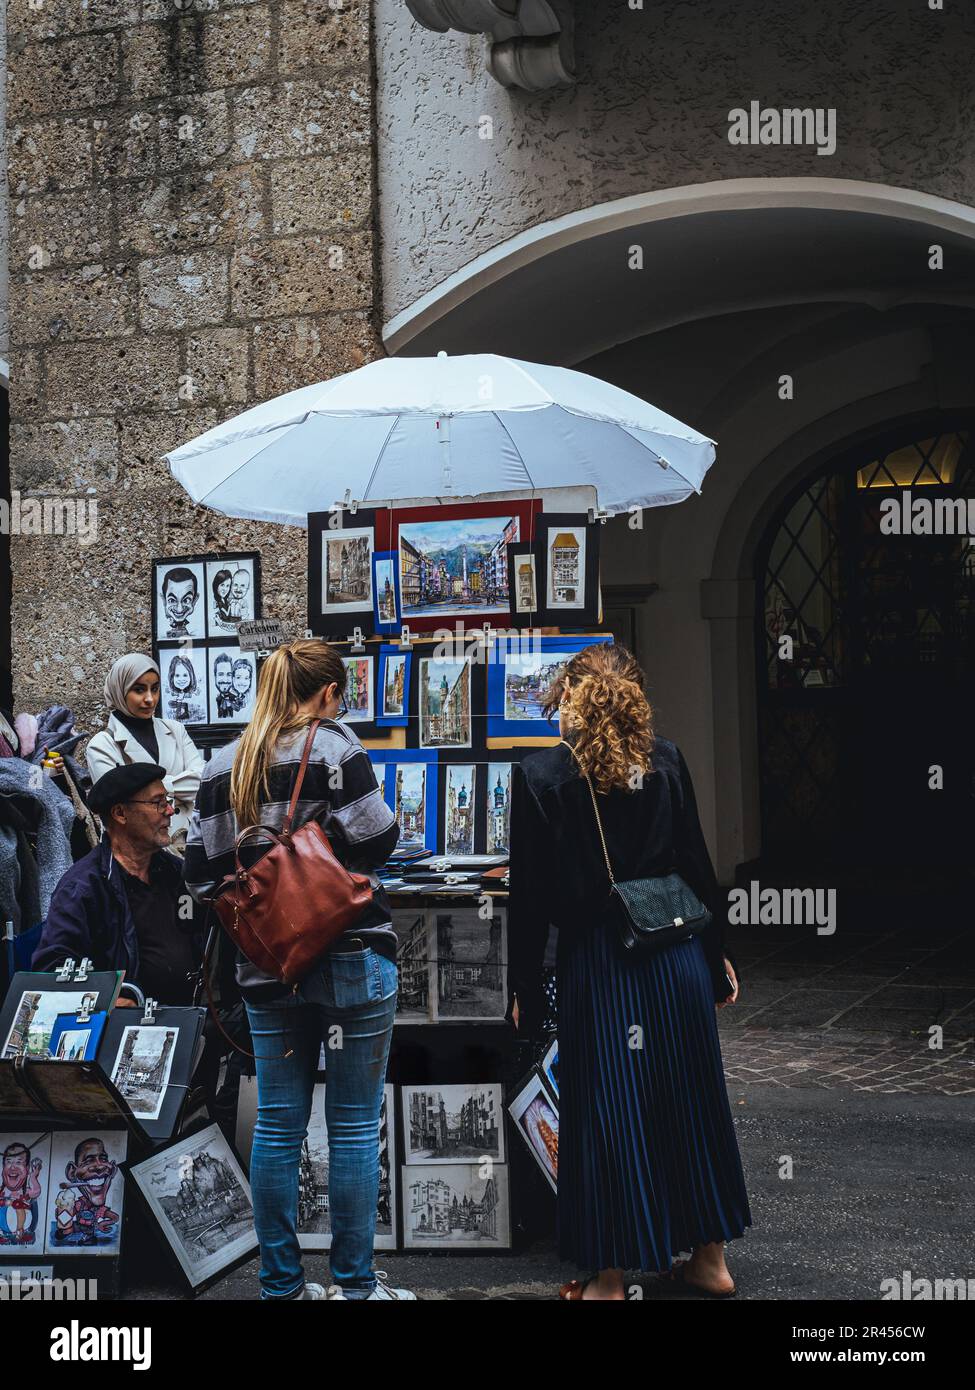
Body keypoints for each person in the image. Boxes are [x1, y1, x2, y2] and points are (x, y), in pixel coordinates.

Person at [507, 641, 752, 1301]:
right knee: (690, 1103)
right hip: (674, 959)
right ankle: (708, 1260)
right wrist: (715, 955)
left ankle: (608, 1281)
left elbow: (528, 900)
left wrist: (525, 987)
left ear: (570, 697)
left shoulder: (540, 778)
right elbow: (698, 867)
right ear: (633, 696)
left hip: (603, 962)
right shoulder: (666, 760)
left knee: (606, 1110)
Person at [183, 639, 415, 1302]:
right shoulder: (337, 748)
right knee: (350, 1124)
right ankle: (355, 1288)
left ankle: (281, 1289)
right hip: (348, 953)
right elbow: (377, 838)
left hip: (267, 962)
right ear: (329, 692)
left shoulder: (222, 762)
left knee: (279, 1121)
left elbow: (201, 875)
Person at [32, 764, 201, 1007]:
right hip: (132, 1026)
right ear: (120, 813)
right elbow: (51, 969)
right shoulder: (82, 888)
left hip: (194, 1013)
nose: (170, 810)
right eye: (158, 802)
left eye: (168, 800)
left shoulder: (175, 873)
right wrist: (108, 1001)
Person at [86, 654, 203, 852]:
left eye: (155, 689)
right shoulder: (102, 745)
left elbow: (201, 781)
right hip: (136, 852)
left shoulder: (175, 729)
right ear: (120, 690)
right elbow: (123, 805)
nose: (150, 699)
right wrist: (179, 787)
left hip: (187, 842)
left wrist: (154, 790)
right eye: (139, 690)